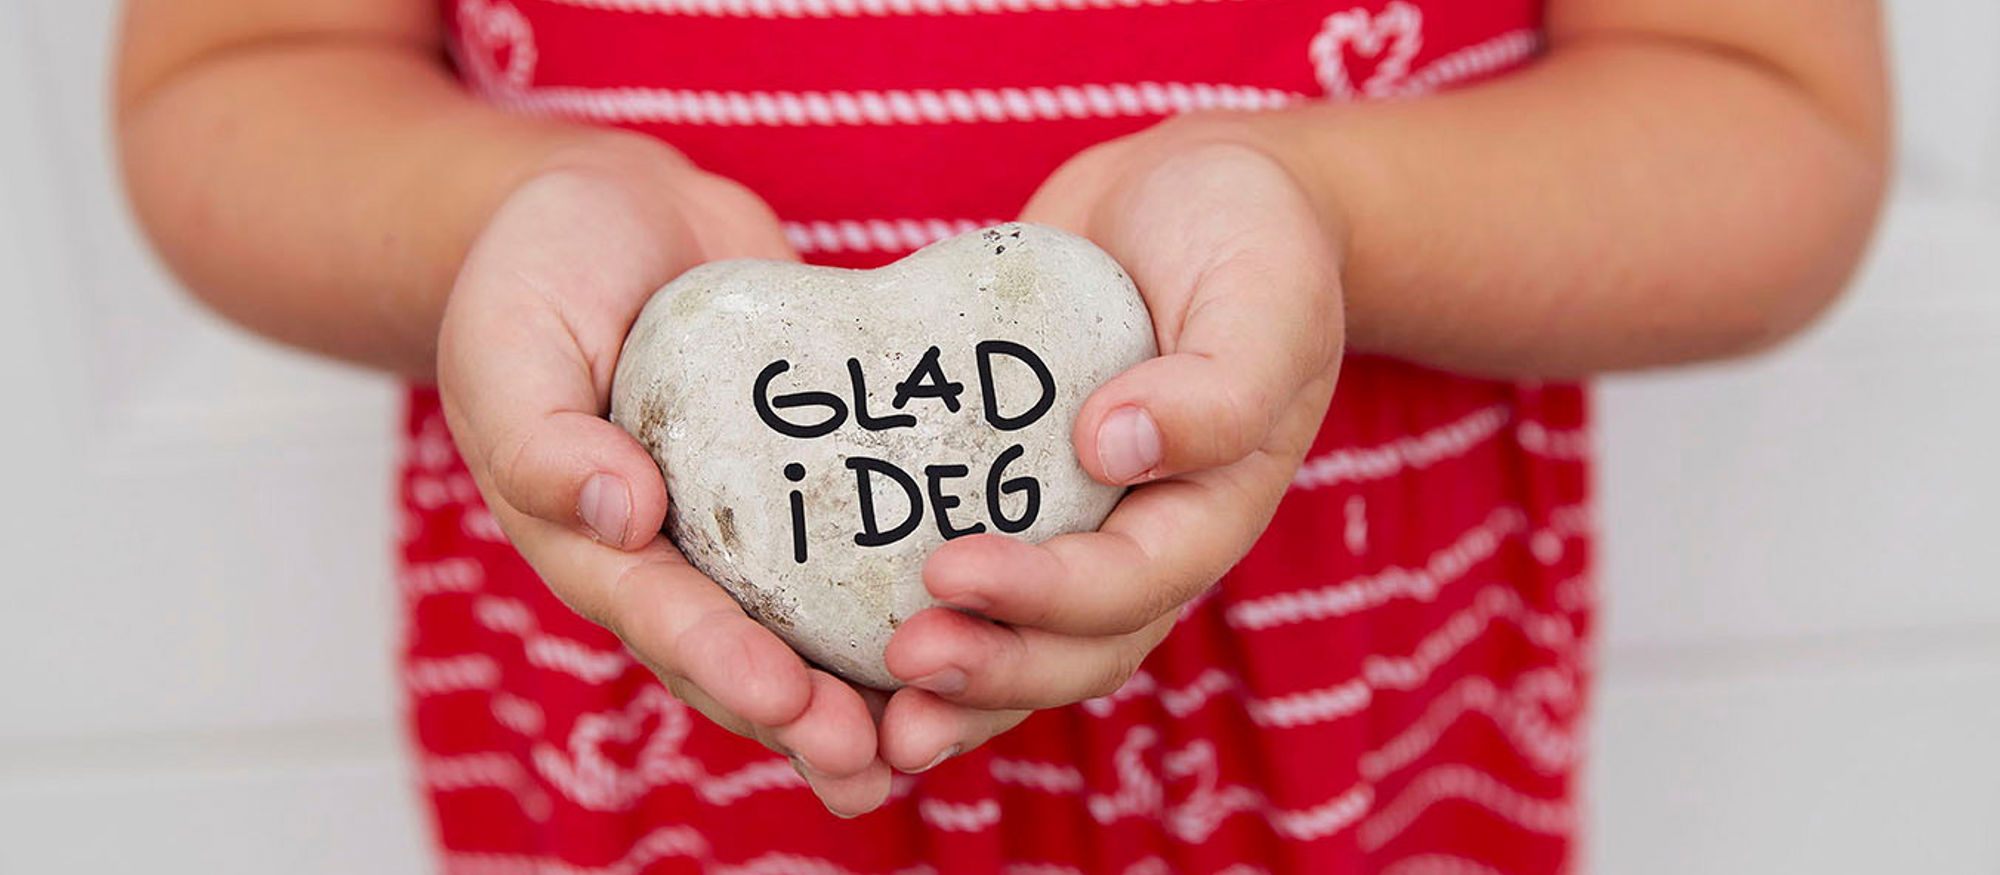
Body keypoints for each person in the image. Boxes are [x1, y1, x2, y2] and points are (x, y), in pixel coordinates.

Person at [114, 0, 1888, 870]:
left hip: (1339, 763)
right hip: (667, 735)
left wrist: (1321, 212)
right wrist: (541, 205)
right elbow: (233, 80)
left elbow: (1766, 126)